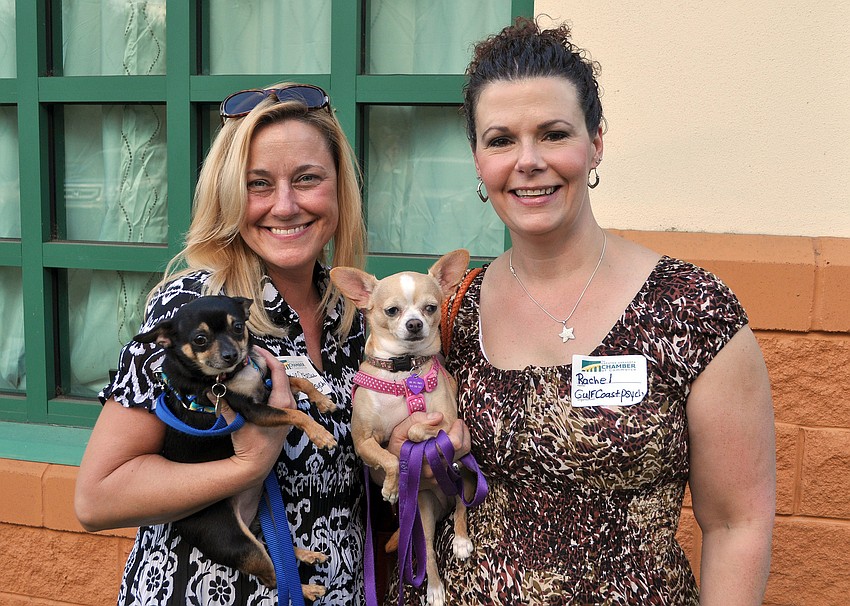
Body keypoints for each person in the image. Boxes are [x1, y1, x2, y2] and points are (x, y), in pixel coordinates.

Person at [391, 17, 776, 605]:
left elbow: (736, 525)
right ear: (477, 159)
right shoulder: (453, 311)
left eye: (553, 134)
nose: (527, 161)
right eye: (500, 140)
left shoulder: (692, 309)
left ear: (595, 142)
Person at [75, 82, 370, 605]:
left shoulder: (354, 316)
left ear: (339, 188)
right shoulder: (193, 308)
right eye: (258, 184)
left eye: (307, 178)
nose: (285, 205)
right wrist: (246, 466)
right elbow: (98, 498)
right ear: (228, 195)